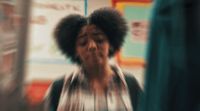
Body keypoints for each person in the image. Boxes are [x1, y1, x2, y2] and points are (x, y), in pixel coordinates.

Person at [44, 7, 142, 111]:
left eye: (99, 40)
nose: (92, 46)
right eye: (83, 42)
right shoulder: (59, 88)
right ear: (75, 51)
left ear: (111, 45)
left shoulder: (131, 85)